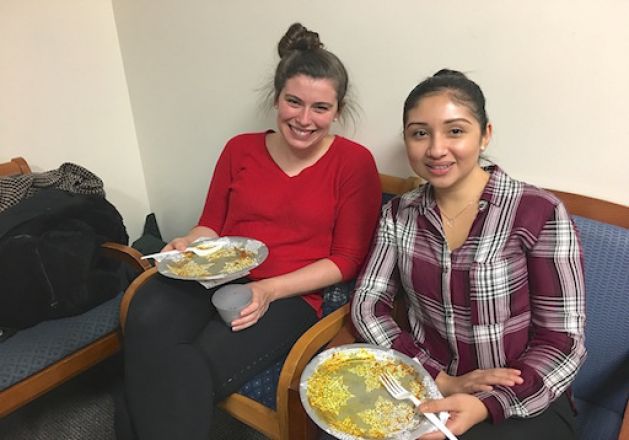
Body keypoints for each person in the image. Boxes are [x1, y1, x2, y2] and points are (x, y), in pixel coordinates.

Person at [116, 23, 382, 440]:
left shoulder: (353, 163)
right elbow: (212, 225)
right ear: (276, 98)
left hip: (288, 295)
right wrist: (190, 243)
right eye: (293, 102)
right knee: (145, 318)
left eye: (320, 108)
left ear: (338, 109)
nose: (304, 119)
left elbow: (347, 260)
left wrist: (268, 290)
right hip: (215, 273)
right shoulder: (239, 148)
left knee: (186, 363)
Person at [351, 69, 586, 439]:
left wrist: (487, 403)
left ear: (485, 134)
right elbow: (368, 303)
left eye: (455, 131)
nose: (436, 149)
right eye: (419, 133)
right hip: (428, 388)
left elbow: (563, 341)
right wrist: (437, 378)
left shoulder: (539, 212)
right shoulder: (399, 214)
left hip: (521, 398)